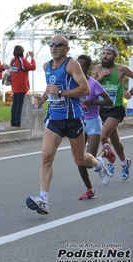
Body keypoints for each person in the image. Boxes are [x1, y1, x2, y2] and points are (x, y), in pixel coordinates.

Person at [25, 35, 112, 215]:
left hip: (73, 118)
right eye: (51, 45)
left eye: (58, 45)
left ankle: (99, 164)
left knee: (80, 160)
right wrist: (43, 98)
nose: (54, 47)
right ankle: (43, 200)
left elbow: (85, 90)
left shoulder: (72, 64)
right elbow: (52, 88)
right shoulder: (46, 66)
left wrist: (61, 92)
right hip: (54, 119)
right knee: (46, 156)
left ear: (67, 48)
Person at [91, 44, 133, 180]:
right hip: (102, 108)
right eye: (104, 53)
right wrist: (100, 77)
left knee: (103, 136)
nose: (105, 56)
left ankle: (110, 161)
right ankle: (125, 162)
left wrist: (131, 92)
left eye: (109, 54)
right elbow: (88, 85)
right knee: (114, 140)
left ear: (115, 56)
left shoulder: (121, 69)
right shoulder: (98, 68)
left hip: (116, 108)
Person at [76, 55, 113, 200]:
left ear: (87, 67)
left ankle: (102, 158)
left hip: (93, 123)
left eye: (82, 66)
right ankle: (89, 189)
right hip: (79, 123)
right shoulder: (73, 83)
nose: (79, 68)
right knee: (79, 159)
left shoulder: (93, 84)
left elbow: (108, 100)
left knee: (89, 162)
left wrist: (92, 102)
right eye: (77, 65)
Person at [9, 45, 36, 127]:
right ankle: (18, 121)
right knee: (20, 104)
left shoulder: (13, 60)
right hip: (21, 84)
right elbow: (32, 67)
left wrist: (26, 58)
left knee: (15, 103)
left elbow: (21, 67)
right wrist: (32, 58)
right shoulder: (22, 60)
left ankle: (13, 121)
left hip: (15, 84)